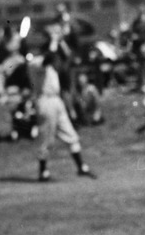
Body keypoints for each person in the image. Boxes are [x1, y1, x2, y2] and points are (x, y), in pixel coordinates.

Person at [28, 34, 96, 182]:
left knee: (71, 135)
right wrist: (53, 41)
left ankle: (81, 167)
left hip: (56, 101)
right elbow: (48, 58)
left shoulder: (51, 65)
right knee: (47, 139)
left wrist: (59, 42)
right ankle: (43, 172)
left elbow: (62, 57)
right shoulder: (35, 63)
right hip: (45, 101)